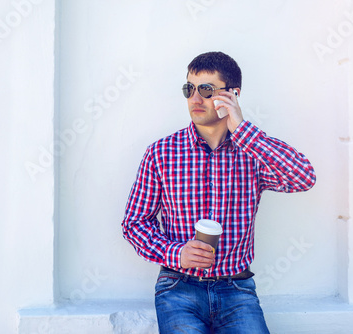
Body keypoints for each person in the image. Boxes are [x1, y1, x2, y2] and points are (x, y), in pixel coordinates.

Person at [122, 51, 316, 333]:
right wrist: (176, 253)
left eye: (206, 90)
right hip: (178, 287)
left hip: (236, 288)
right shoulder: (162, 153)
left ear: (233, 94)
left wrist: (243, 129)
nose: (195, 99)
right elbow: (134, 223)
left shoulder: (252, 152)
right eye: (189, 89)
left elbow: (303, 177)